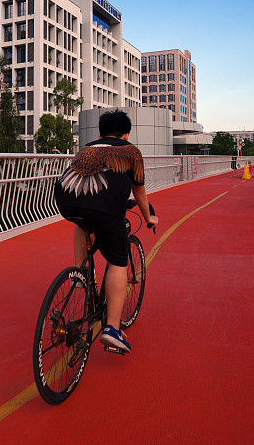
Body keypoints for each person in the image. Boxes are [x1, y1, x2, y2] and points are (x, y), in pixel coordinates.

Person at [53, 110, 158, 353]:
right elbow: (139, 191)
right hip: (105, 208)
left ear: (100, 134)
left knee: (83, 222)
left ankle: (81, 275)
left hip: (66, 201)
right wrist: (149, 217)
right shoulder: (131, 151)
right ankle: (112, 328)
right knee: (119, 261)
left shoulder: (87, 148)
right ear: (126, 134)